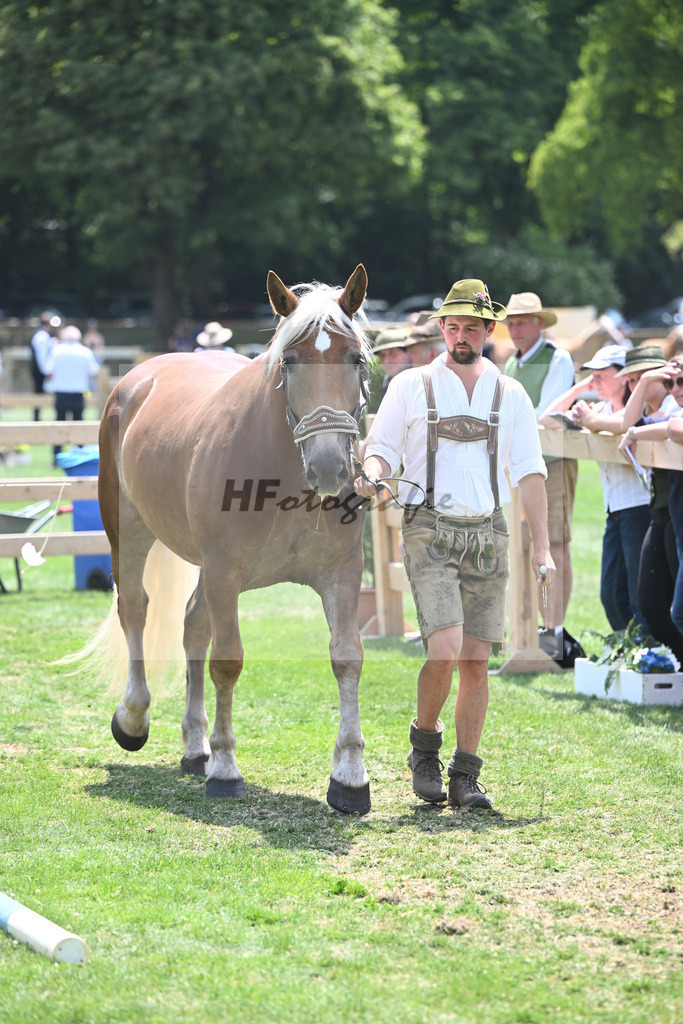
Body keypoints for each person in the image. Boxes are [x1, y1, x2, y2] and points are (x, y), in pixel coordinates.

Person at [354, 279, 554, 811]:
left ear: (490, 330)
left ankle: (465, 774)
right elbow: (383, 449)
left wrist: (543, 548)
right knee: (443, 651)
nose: (460, 336)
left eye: (471, 327)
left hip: (489, 532)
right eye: (452, 326)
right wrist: (372, 474)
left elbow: (531, 474)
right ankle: (424, 748)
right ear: (441, 327)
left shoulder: (510, 393)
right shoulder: (411, 385)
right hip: (428, 527)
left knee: (475, 661)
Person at [541, 344, 650, 630]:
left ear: (625, 376)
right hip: (615, 511)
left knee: (640, 596)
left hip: (640, 509)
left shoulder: (634, 410)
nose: (596, 380)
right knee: (611, 595)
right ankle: (629, 652)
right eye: (593, 374)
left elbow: (627, 422)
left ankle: (647, 656)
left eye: (602, 374)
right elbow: (548, 418)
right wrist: (581, 387)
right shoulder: (598, 409)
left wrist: (590, 420)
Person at [503, 292, 577, 664]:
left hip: (553, 463)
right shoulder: (512, 364)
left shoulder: (557, 358)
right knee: (524, 546)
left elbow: (548, 414)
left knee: (556, 546)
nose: (514, 329)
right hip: (520, 467)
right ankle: (531, 628)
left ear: (539, 323)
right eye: (510, 322)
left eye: (521, 321)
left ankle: (555, 634)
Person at [616, 360, 683, 659]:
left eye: (679, 382)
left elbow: (673, 427)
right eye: (671, 382)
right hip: (667, 515)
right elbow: (626, 424)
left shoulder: (672, 411)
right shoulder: (668, 409)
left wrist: (634, 434)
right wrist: (644, 383)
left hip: (671, 516)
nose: (676, 389)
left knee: (677, 612)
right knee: (652, 605)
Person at [44, 325, 101, 462]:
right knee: (79, 425)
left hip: (61, 393)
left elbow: (48, 371)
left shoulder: (56, 351)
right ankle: (80, 457)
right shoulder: (85, 352)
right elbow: (95, 372)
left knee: (58, 425)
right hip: (78, 394)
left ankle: (56, 457)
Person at [372, 324, 414, 402]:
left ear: (409, 351)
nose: (386, 361)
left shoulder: (419, 383)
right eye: (382, 355)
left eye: (392, 353)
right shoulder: (388, 383)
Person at [29, 312, 56, 421]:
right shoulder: (42, 336)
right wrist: (46, 371)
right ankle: (36, 419)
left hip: (40, 370)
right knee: (39, 394)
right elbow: (41, 357)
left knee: (39, 394)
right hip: (40, 371)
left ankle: (37, 418)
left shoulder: (41, 335)